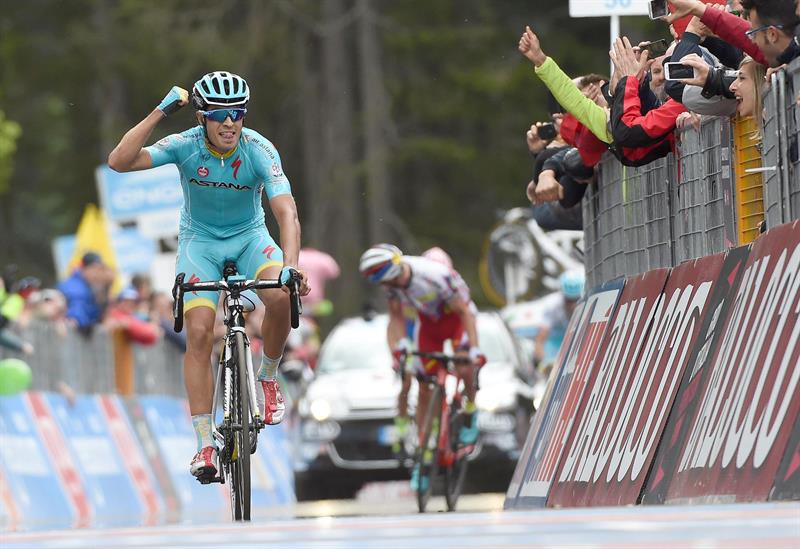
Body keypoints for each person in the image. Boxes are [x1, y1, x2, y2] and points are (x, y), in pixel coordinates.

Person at [107, 71, 311, 480]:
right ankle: (203, 442)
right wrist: (161, 111)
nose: (230, 123)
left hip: (250, 238)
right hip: (199, 244)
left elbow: (286, 212)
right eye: (219, 115)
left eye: (237, 113)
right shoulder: (185, 146)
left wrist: (290, 265)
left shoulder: (259, 149)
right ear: (201, 118)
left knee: (281, 296)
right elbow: (120, 161)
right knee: (199, 332)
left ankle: (268, 377)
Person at [358, 244, 485, 491]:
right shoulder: (392, 283)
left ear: (394, 270)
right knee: (423, 384)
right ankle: (425, 444)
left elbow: (465, 313)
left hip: (457, 320)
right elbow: (396, 318)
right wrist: (401, 344)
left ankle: (470, 409)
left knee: (465, 366)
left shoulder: (435, 276)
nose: (388, 288)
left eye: (388, 282)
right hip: (429, 325)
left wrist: (475, 350)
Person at [666, 0, 799, 67]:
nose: (752, 40)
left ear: (772, 34)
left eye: (753, 34)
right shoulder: (789, 55)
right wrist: (700, 10)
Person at [533, 270, 585, 366]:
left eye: (575, 299)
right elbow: (541, 337)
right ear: (562, 295)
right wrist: (539, 359)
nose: (572, 305)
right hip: (555, 346)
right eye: (568, 300)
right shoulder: (552, 305)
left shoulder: (586, 301)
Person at [58, 252, 113, 333]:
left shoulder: (88, 286)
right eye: (94, 269)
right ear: (84, 268)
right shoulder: (76, 287)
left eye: (99, 270)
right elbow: (77, 316)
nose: (97, 274)